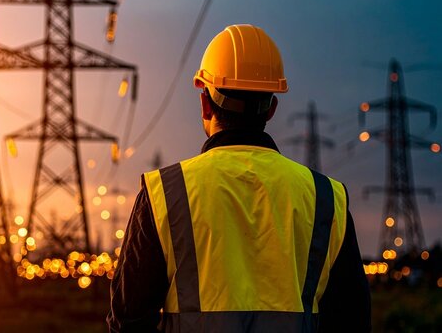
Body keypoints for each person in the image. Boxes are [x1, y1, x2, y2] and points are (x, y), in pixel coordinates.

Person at [107, 24, 371, 332]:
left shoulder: (165, 193)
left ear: (205, 103)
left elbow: (128, 322)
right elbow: (352, 323)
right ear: (272, 108)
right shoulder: (326, 198)